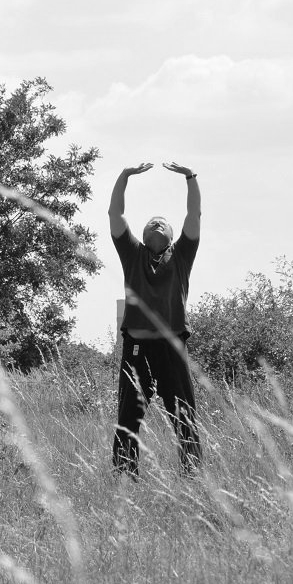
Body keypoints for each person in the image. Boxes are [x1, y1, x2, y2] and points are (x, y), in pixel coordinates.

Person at [108, 161, 202, 476]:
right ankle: (124, 478)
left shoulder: (182, 255)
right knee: (129, 416)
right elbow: (115, 216)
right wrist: (125, 176)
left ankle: (192, 477)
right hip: (137, 349)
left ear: (173, 235)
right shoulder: (132, 254)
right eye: (152, 222)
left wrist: (190, 178)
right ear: (144, 235)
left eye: (163, 222)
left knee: (184, 416)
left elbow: (194, 215)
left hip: (172, 348)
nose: (157, 223)